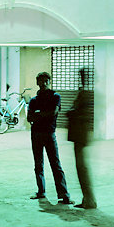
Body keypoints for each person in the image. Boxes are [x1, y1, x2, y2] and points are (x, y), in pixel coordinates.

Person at [26, 71, 71, 204]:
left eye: (46, 80)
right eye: (41, 81)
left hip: (49, 134)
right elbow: (29, 117)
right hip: (36, 134)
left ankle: (64, 194)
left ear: (49, 82)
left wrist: (38, 114)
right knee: (38, 164)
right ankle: (41, 191)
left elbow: (54, 112)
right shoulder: (34, 100)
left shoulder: (55, 96)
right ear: (37, 82)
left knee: (55, 164)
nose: (44, 83)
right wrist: (43, 114)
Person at [67, 68, 96, 209]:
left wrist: (71, 113)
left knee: (81, 168)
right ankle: (87, 199)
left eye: (81, 76)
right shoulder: (85, 93)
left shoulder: (87, 94)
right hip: (79, 134)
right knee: (81, 168)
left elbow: (83, 115)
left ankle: (89, 200)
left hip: (80, 134)